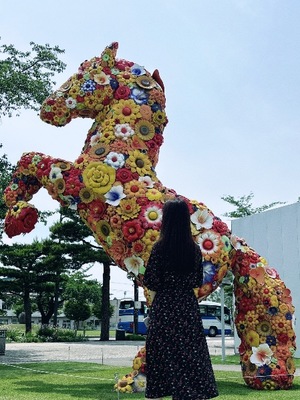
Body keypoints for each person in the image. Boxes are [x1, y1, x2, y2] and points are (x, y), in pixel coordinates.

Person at [143, 199, 219, 400]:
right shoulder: (194, 249)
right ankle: (190, 392)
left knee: (162, 354)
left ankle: (161, 392)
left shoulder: (159, 248)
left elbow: (151, 280)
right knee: (189, 353)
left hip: (165, 306)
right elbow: (197, 280)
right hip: (186, 306)